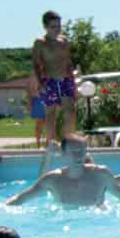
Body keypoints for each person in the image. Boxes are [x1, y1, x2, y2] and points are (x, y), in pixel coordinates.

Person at [4, 137, 120, 208]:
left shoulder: (102, 174)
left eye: (82, 151)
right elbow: (19, 199)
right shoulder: (52, 180)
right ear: (63, 153)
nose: (78, 155)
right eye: (74, 151)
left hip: (98, 226)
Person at [31, 11, 79, 144]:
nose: (57, 29)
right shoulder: (40, 43)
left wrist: (74, 83)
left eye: (59, 26)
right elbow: (36, 64)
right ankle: (51, 142)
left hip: (65, 80)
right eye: (53, 27)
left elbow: (68, 63)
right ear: (45, 27)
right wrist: (40, 83)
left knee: (71, 110)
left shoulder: (64, 41)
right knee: (51, 113)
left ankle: (69, 140)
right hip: (49, 80)